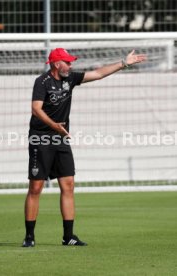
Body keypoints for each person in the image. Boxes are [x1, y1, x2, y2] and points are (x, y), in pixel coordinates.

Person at [22, 47, 146, 247]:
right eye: (68, 62)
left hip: (61, 138)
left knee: (68, 184)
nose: (71, 65)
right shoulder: (42, 82)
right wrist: (55, 127)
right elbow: (36, 109)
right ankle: (29, 237)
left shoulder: (70, 79)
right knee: (36, 187)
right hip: (41, 138)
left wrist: (123, 63)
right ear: (56, 64)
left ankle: (68, 236)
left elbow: (98, 74)